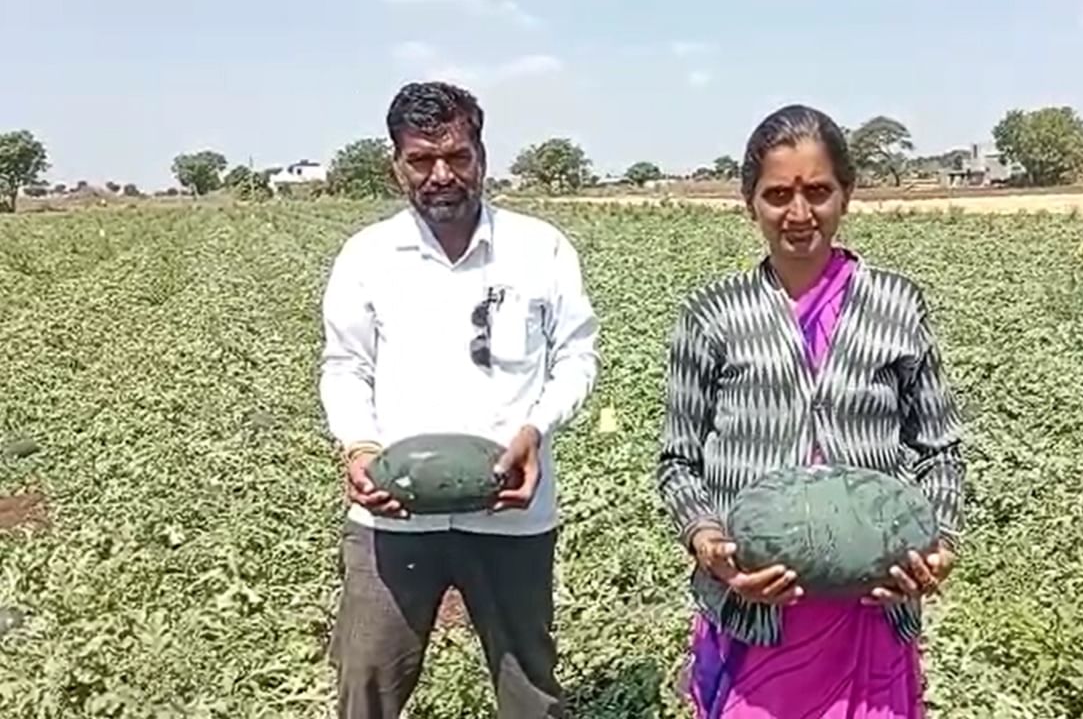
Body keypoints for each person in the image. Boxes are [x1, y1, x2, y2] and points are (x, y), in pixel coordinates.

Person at [654, 104, 966, 719]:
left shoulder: (896, 304)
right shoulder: (713, 313)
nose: (799, 214)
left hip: (871, 606)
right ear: (750, 203)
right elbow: (677, 461)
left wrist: (940, 543)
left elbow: (941, 448)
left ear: (846, 194)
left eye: (818, 191)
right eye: (777, 195)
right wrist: (711, 544)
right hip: (754, 609)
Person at [318, 81, 599, 719]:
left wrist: (535, 428)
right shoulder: (368, 257)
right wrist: (360, 446)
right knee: (367, 681)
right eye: (421, 160)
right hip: (393, 518)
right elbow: (345, 364)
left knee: (528, 686)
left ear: (482, 155)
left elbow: (577, 356)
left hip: (511, 513)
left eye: (458, 156)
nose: (441, 174)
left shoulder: (540, 249)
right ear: (396, 166)